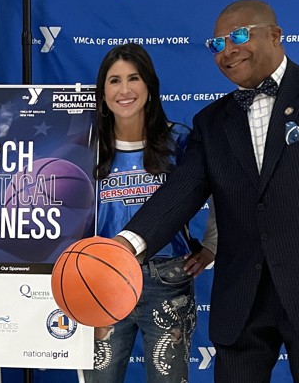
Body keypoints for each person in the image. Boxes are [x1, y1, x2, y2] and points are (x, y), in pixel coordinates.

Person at [116, 0, 299, 383]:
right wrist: (125, 245)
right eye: (217, 45)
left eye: (239, 36)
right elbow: (180, 191)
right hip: (241, 306)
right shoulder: (210, 122)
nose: (227, 51)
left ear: (276, 35)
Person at [84, 44, 217, 383]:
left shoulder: (179, 140)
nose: (124, 90)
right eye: (114, 81)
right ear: (102, 91)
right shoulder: (84, 145)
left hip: (167, 277)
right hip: (101, 278)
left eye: (134, 78)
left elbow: (223, 191)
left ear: (149, 87)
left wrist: (213, 245)